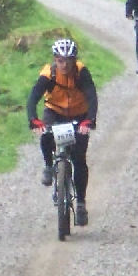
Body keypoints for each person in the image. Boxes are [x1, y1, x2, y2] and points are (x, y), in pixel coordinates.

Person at [27, 38, 98, 227]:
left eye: (68, 60)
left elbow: (92, 97)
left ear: (74, 60)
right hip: (55, 112)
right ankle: (49, 166)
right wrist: (34, 120)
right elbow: (33, 98)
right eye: (60, 60)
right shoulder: (48, 74)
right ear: (55, 60)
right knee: (46, 135)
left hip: (78, 114)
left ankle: (81, 203)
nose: (64, 64)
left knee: (79, 159)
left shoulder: (81, 72)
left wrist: (88, 121)